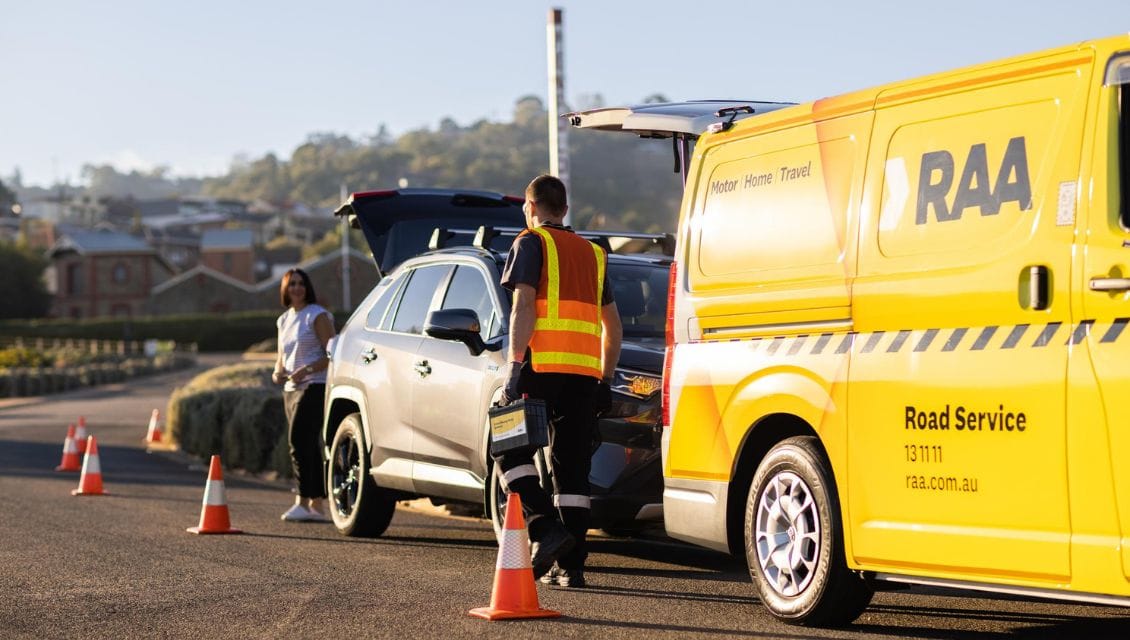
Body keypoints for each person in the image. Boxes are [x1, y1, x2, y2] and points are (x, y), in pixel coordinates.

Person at [496, 174, 623, 588]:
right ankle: (572, 568)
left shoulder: (530, 242)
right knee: (572, 472)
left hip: (540, 368)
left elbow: (523, 306)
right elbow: (613, 327)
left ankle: (547, 530)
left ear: (529, 208)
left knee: (508, 451)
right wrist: (604, 378)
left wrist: (514, 367)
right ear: (565, 209)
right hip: (585, 377)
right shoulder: (594, 254)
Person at [272, 268, 336, 523]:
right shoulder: (284, 320)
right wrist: (277, 373)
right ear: (285, 289)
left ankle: (303, 500)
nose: (297, 288)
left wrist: (307, 370)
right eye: (292, 284)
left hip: (315, 385)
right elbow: (281, 358)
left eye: (301, 283)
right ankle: (316, 506)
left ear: (308, 287)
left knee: (298, 441)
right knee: (306, 445)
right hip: (291, 389)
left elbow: (332, 353)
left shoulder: (317, 315)